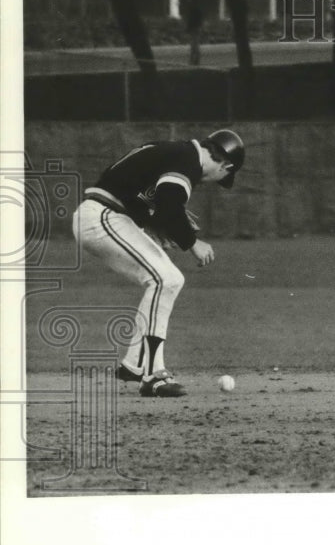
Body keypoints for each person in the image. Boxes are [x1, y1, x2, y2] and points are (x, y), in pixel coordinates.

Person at [72, 129, 245, 397]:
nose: (218, 181)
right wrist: (192, 242)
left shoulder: (177, 152)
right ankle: (153, 375)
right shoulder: (188, 159)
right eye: (225, 176)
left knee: (168, 279)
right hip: (102, 216)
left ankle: (135, 363)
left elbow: (130, 186)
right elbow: (169, 204)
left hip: (105, 214)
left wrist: (153, 222)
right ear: (226, 165)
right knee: (165, 279)